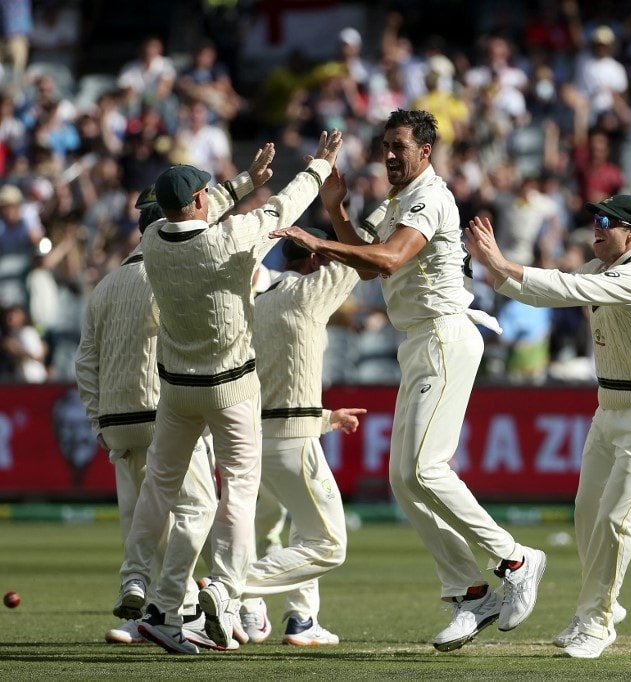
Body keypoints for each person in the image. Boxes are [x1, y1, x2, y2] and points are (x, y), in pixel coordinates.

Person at [270, 110, 546, 653]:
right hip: (418, 340)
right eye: (385, 146)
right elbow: (366, 266)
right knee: (404, 479)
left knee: (424, 468)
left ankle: (516, 559)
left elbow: (390, 259)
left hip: (444, 334)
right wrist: (335, 210)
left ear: (425, 151)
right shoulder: (396, 202)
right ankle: (470, 592)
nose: (390, 155)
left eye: (399, 146)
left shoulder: (430, 197)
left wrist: (319, 243)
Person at [115, 130, 343, 655]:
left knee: (160, 487)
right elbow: (284, 209)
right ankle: (222, 586)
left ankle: (135, 578)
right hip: (231, 387)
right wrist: (319, 167)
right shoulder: (232, 237)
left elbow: (192, 211)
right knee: (238, 489)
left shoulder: (152, 242)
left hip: (177, 390)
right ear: (200, 200)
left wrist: (243, 182)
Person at [464, 194, 631, 659]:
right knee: (588, 514)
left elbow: (567, 287)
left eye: (608, 221)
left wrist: (504, 263)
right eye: (595, 219)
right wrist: (495, 269)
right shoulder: (599, 270)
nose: (597, 226)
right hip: (609, 408)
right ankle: (600, 604)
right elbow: (549, 293)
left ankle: (598, 620)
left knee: (614, 520)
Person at [77, 165, 269, 649]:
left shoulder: (105, 285)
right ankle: (176, 608)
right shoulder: (169, 266)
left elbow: (85, 362)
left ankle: (138, 592)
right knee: (198, 508)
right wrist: (250, 183)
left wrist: (98, 421)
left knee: (143, 510)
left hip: (117, 422)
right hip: (171, 401)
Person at [239, 219, 364, 647]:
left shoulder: (260, 302)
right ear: (313, 259)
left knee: (302, 529)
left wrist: (327, 417)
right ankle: (228, 588)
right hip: (292, 442)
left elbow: (277, 379)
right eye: (323, 258)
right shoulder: (308, 291)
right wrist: (348, 212)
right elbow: (361, 256)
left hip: (259, 438)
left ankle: (302, 618)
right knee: (329, 545)